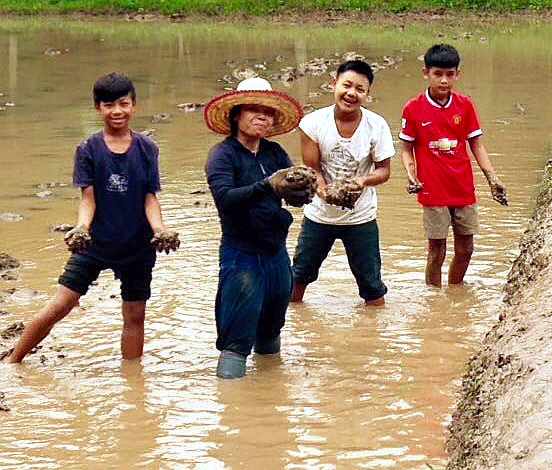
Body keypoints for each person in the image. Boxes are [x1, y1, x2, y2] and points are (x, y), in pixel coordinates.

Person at [7, 72, 180, 364]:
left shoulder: (147, 149)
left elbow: (150, 197)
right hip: (95, 245)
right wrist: (82, 227)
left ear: (134, 105)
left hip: (138, 247)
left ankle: (132, 381)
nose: (117, 111)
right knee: (61, 305)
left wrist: (160, 229)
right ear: (98, 108)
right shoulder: (88, 149)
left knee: (135, 315)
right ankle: (12, 362)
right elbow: (88, 198)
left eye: (123, 104)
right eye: (109, 105)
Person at [204, 77, 316, 379]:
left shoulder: (274, 153)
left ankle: (270, 398)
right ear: (236, 114)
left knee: (271, 329)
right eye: (253, 109)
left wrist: (305, 188)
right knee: (237, 338)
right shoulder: (222, 156)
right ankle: (232, 406)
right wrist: (267, 186)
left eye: (267, 112)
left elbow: (294, 189)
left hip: (275, 254)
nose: (261, 116)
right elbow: (226, 200)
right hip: (241, 255)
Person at [399, 44, 508, 288]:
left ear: (457, 74)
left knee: (466, 248)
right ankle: (434, 298)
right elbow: (406, 149)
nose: (444, 81)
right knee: (436, 251)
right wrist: (411, 175)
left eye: (450, 74)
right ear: (426, 73)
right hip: (432, 190)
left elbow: (476, 145)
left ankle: (455, 291)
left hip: (463, 188)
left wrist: (493, 179)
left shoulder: (465, 105)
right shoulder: (413, 108)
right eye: (438, 74)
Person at [290, 60, 395, 306]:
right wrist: (325, 192)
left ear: (367, 95)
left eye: (360, 89)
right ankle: (292, 324)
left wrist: (362, 181)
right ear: (333, 84)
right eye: (346, 85)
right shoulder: (312, 123)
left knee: (372, 285)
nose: (351, 93)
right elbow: (312, 169)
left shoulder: (376, 125)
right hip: (319, 216)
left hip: (361, 217)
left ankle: (374, 334)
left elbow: (384, 171)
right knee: (299, 276)